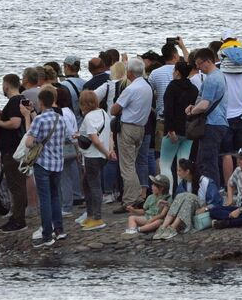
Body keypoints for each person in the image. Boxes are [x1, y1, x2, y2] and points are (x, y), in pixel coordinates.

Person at [22, 85, 65, 248]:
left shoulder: (39, 119)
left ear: (41, 102)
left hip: (43, 163)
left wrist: (36, 141)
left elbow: (29, 142)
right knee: (55, 196)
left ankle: (47, 234)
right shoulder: (60, 118)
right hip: (58, 163)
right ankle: (59, 230)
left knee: (45, 199)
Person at [111, 58, 152, 212]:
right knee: (132, 163)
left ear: (129, 73)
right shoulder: (147, 86)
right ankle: (137, 196)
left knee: (127, 166)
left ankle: (129, 200)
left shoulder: (131, 89)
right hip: (141, 127)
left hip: (128, 128)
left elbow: (114, 109)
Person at [0, 74, 30, 232]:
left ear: (6, 85)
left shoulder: (14, 101)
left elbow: (15, 123)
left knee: (16, 186)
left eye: (3, 84)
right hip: (20, 148)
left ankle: (19, 220)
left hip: (13, 150)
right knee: (19, 184)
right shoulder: (23, 99)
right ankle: (17, 216)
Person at [187, 47, 230, 185]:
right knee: (208, 161)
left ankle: (211, 191)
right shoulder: (220, 75)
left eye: (199, 64)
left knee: (207, 162)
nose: (198, 68)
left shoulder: (211, 79)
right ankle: (211, 189)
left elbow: (204, 104)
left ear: (208, 61)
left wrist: (191, 112)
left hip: (212, 123)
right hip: (219, 122)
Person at [75, 88, 113, 231]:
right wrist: (110, 151)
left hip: (93, 156)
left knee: (94, 186)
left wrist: (107, 152)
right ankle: (91, 215)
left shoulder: (88, 118)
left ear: (84, 104)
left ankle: (97, 218)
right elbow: (109, 134)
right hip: (102, 156)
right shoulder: (104, 113)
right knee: (87, 183)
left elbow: (95, 139)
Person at [156, 157, 222, 239]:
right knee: (182, 196)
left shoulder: (206, 182)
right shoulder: (183, 183)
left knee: (188, 196)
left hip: (202, 210)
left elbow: (217, 203)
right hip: (189, 210)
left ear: (187, 171)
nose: (177, 173)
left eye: (179, 170)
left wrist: (205, 208)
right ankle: (163, 227)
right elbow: (178, 201)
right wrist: (168, 204)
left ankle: (172, 228)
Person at [218, 36, 242, 183]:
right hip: (241, 117)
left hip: (225, 118)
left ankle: (229, 185)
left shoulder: (221, 75)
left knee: (226, 154)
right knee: (240, 153)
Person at [160, 60, 198, 172]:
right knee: (183, 166)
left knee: (165, 164)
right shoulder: (194, 89)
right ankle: (184, 184)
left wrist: (170, 130)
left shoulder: (172, 87)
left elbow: (168, 110)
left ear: (177, 72)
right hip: (189, 131)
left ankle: (167, 184)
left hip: (173, 131)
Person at [54, 85, 81, 214]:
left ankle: (66, 206)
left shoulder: (62, 113)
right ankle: (67, 203)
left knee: (64, 178)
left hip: (65, 146)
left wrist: (75, 146)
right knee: (67, 176)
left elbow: (69, 132)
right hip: (71, 146)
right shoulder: (68, 111)